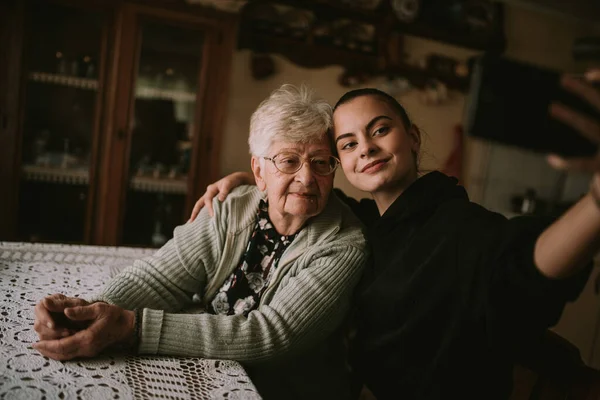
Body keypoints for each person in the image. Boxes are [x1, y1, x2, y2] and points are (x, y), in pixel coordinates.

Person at [189, 69, 600, 399]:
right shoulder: (365, 220)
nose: (364, 148)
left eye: (380, 130)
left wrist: (596, 201)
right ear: (340, 164)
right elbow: (303, 191)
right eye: (347, 144)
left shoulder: (459, 226)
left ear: (413, 137)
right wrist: (255, 178)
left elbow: (526, 266)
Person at [32, 85, 369, 399]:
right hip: (210, 369)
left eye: (321, 162)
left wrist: (130, 328)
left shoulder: (344, 244)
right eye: (289, 161)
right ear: (258, 170)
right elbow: (161, 279)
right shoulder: (231, 206)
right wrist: (88, 314)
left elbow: (270, 335)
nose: (307, 177)